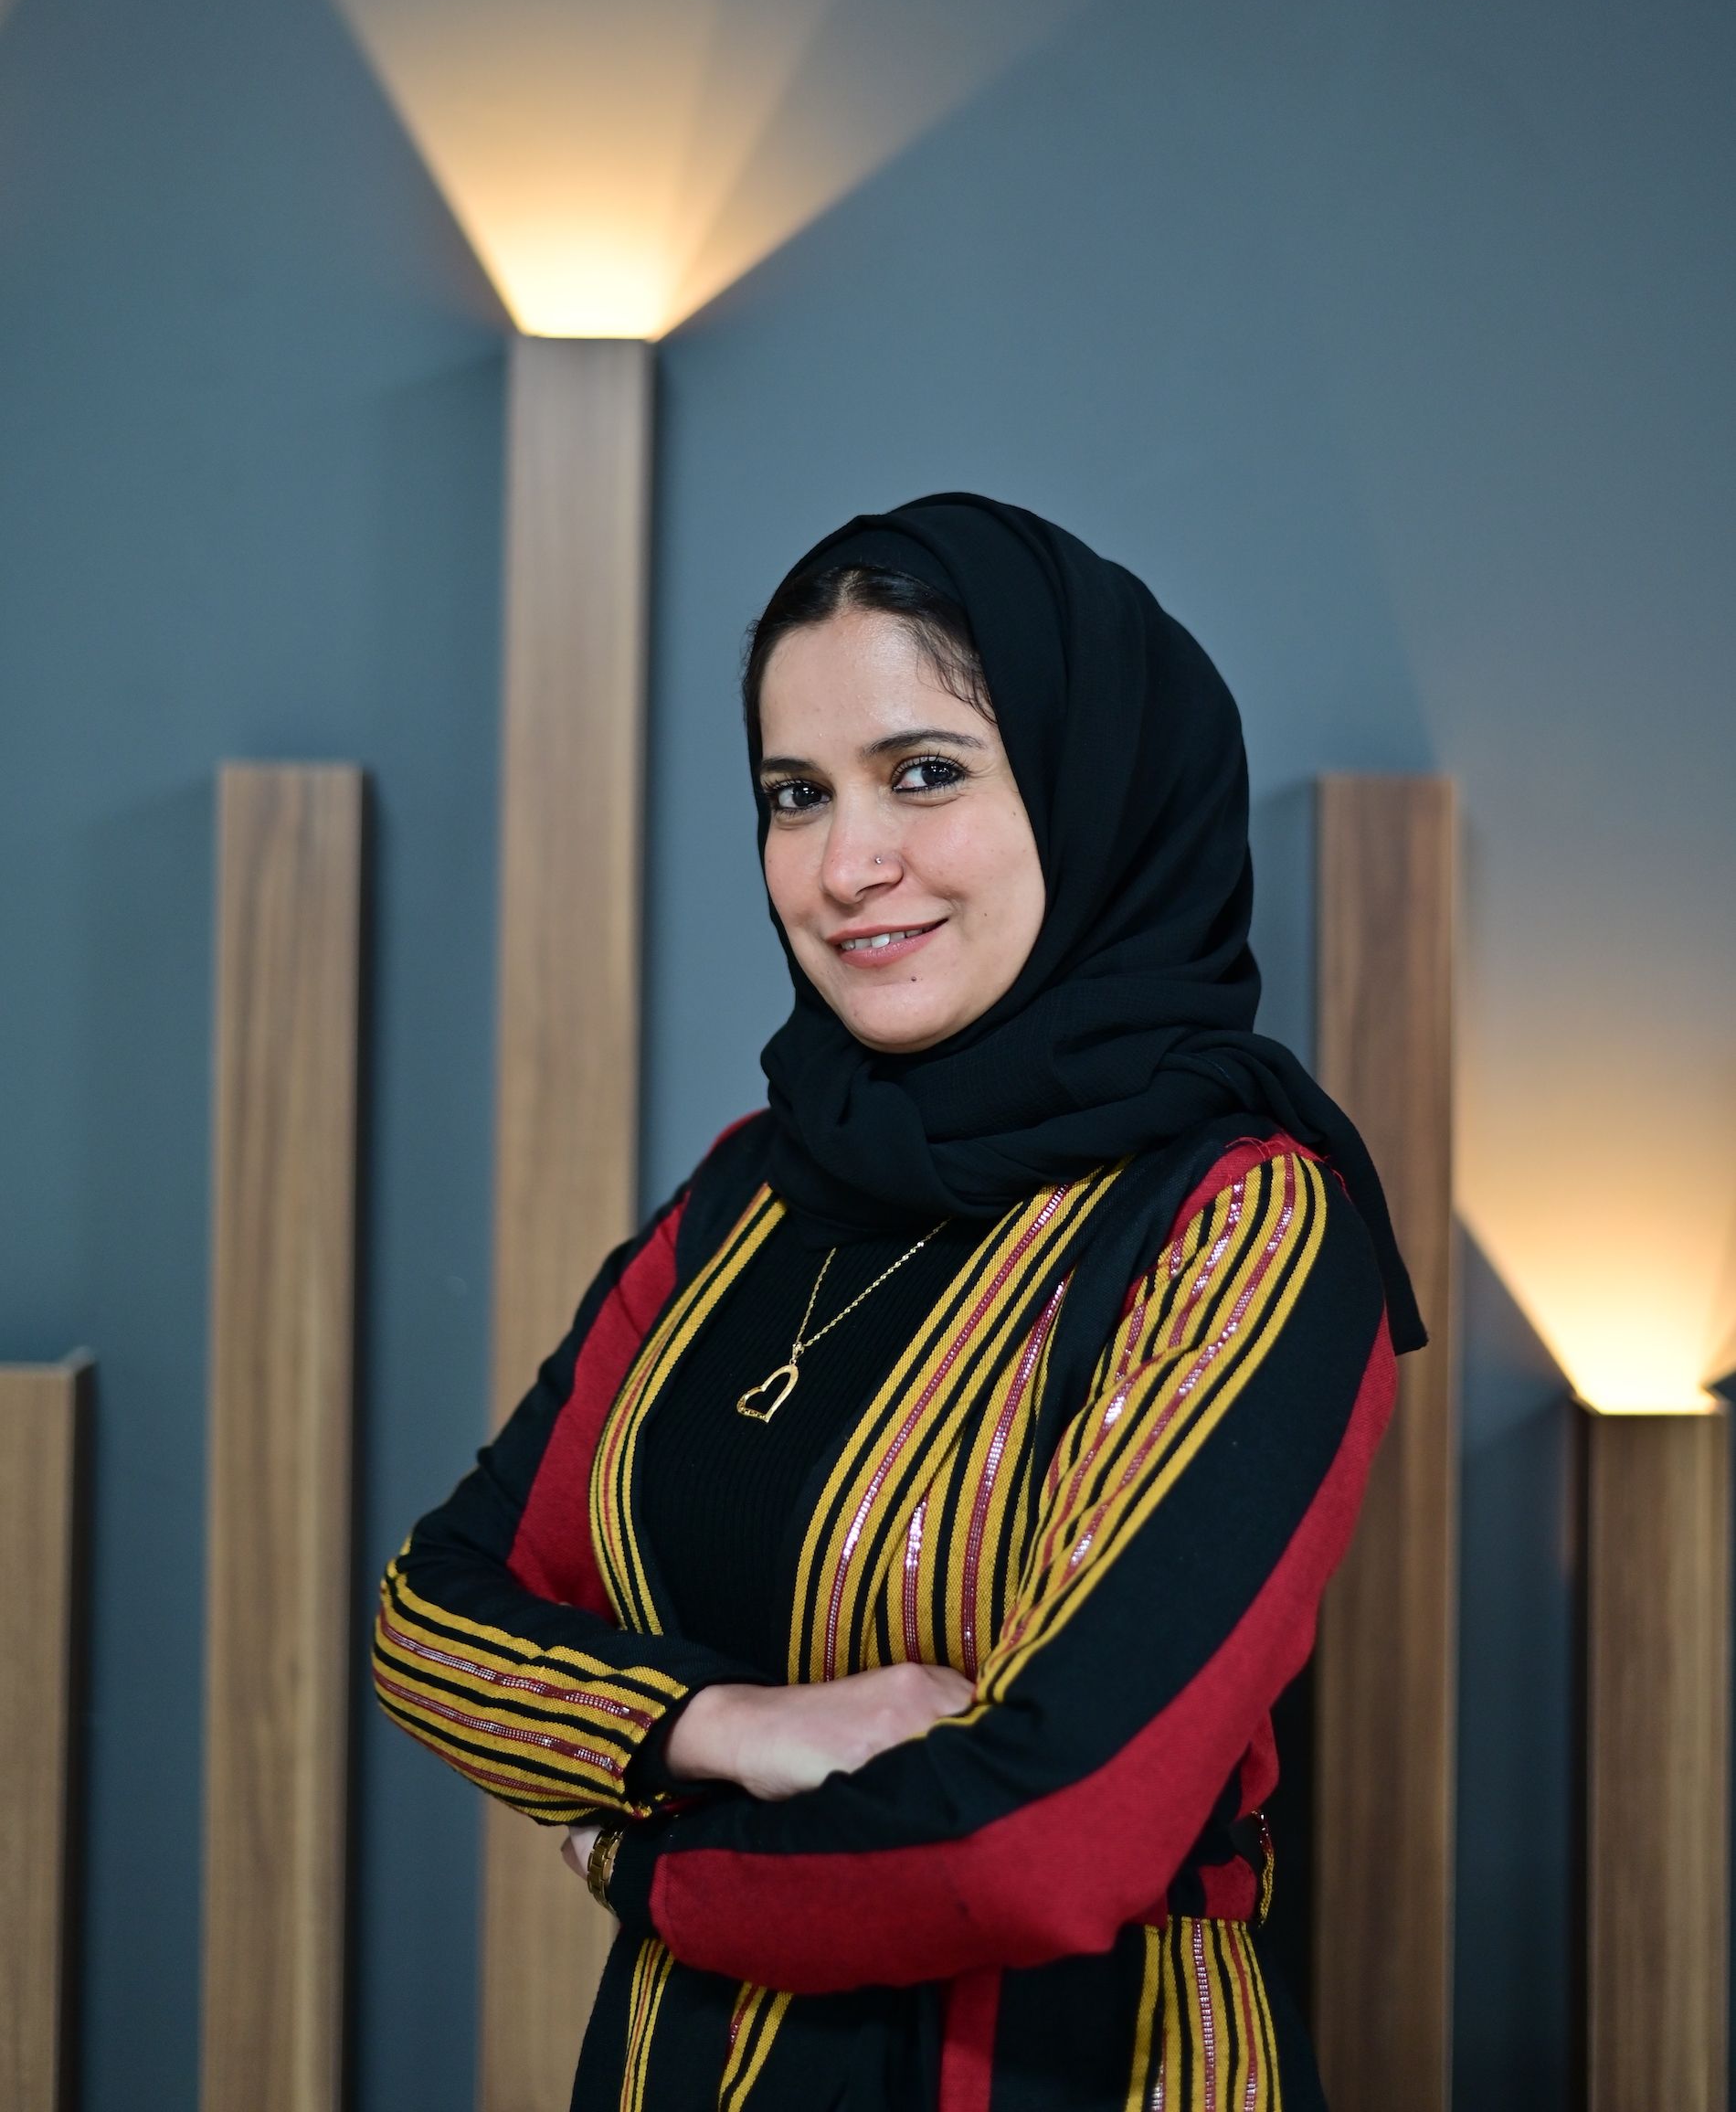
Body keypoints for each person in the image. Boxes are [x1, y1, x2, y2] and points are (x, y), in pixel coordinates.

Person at [373, 492, 1426, 2111]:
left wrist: (646, 1866)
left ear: (1092, 790)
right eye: (795, 795)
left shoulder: (1241, 1223)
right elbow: (435, 1619)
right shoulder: (747, 1192)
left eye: (924, 772)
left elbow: (1045, 1839)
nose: (847, 866)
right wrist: (723, 1723)